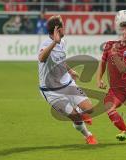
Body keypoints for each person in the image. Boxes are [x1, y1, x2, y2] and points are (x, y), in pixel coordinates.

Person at [38, 15, 97, 144]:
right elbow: (41, 58)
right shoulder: (45, 44)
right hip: (51, 90)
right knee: (75, 116)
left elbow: (61, 60)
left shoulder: (63, 42)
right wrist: (54, 42)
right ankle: (88, 135)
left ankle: (81, 113)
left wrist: (69, 70)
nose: (65, 28)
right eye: (63, 26)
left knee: (89, 109)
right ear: (57, 29)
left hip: (68, 84)